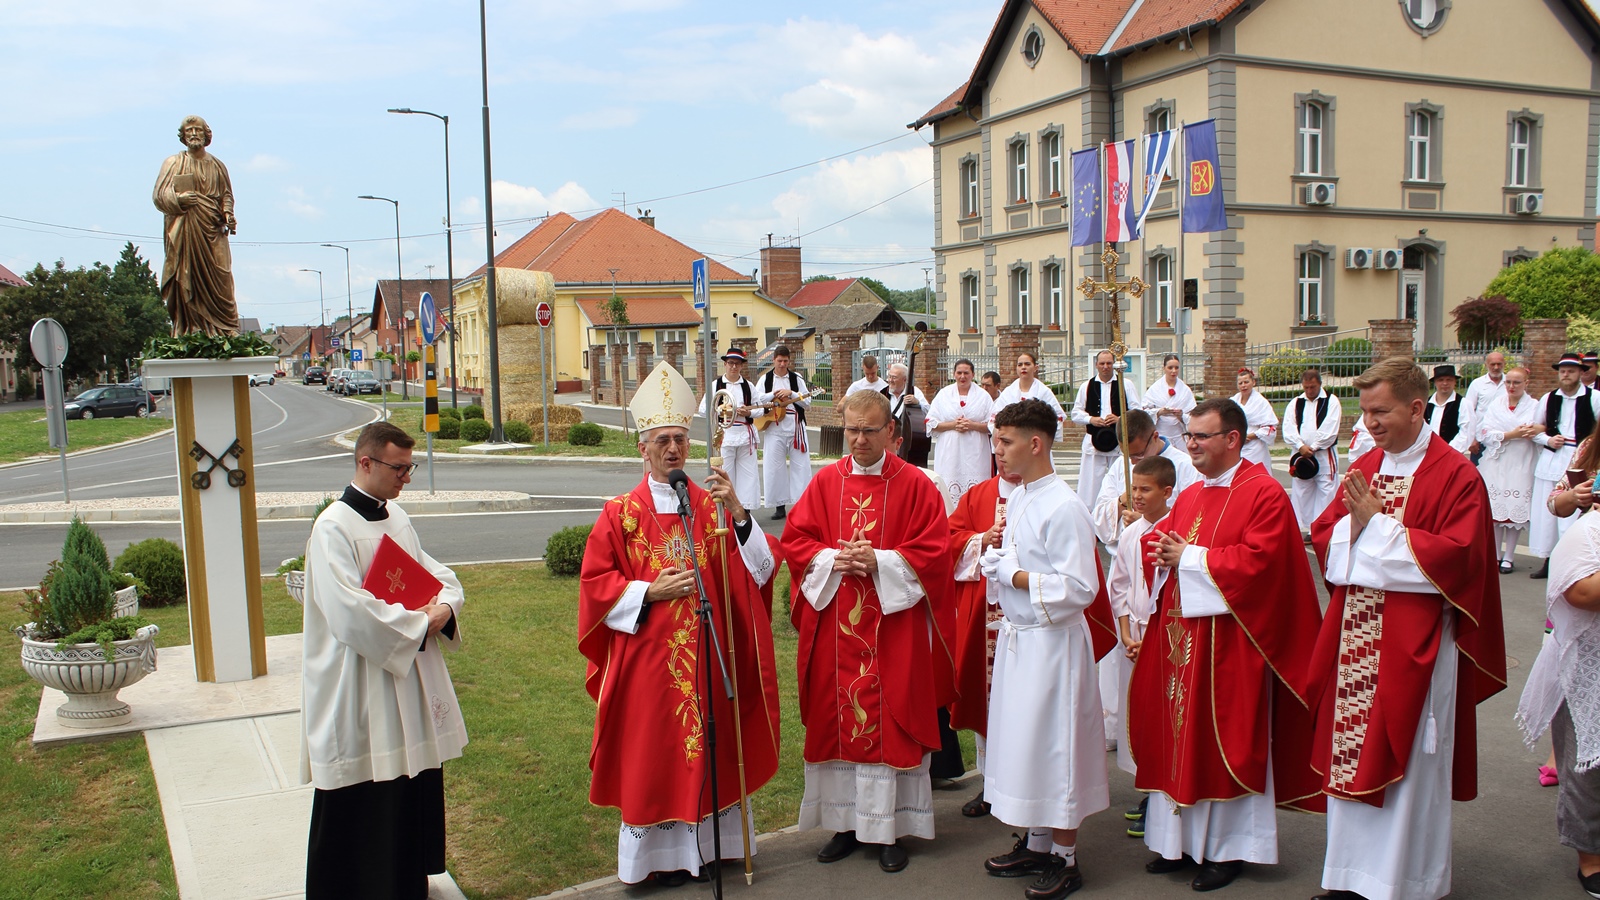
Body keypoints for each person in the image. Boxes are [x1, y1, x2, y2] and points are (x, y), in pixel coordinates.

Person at [1307, 357, 1506, 900]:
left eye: (1381, 411)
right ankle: (1347, 877)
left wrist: (1377, 528)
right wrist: (1364, 535)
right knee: (1351, 752)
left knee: (1411, 761)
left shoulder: (1457, 475)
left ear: (1417, 408)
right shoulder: (1367, 466)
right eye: (1365, 411)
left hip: (1417, 646)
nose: (1369, 423)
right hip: (1357, 640)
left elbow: (1457, 561)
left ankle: (1404, 884)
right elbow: (1325, 540)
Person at [578, 361, 782, 886]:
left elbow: (758, 570)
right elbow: (596, 587)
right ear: (642, 448)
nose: (673, 448)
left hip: (710, 660)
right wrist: (649, 591)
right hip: (650, 661)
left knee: (709, 751)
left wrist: (739, 515)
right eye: (662, 440)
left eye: (680, 439)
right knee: (655, 755)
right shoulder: (619, 513)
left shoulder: (710, 505)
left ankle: (710, 852)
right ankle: (656, 861)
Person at [1130, 398, 1325, 893]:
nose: (1190, 444)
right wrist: (1162, 557)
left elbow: (1263, 565)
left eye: (1201, 436)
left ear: (1232, 440)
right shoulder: (1193, 494)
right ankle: (1177, 844)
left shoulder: (1264, 493)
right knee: (1178, 739)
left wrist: (1189, 557)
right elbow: (1177, 555)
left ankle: (1228, 849)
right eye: (1189, 436)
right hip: (1181, 640)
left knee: (1223, 745)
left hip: (1230, 645)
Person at [782, 389, 956, 873]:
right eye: (851, 429)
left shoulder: (918, 486)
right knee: (837, 726)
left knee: (893, 722)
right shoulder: (824, 483)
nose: (857, 439)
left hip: (893, 631)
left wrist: (877, 560)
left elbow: (934, 553)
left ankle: (892, 830)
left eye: (868, 430)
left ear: (892, 434)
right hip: (838, 625)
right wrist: (831, 559)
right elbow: (796, 541)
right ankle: (844, 824)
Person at [301, 421, 468, 900]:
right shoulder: (333, 527)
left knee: (407, 781)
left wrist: (445, 607)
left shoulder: (396, 519)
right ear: (365, 462)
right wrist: (421, 623)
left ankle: (404, 882)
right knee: (364, 787)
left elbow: (437, 575)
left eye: (410, 467)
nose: (407, 478)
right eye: (399, 468)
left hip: (403, 679)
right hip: (359, 683)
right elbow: (350, 612)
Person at [978, 399, 1118, 900]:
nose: (997, 450)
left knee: (1056, 748)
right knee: (1026, 745)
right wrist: (999, 557)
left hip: (1055, 646)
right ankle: (1037, 843)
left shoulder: (1064, 505)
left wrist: (1012, 575)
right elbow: (1020, 553)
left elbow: (1081, 586)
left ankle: (1066, 859)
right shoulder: (1019, 497)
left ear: (1035, 443)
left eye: (1005, 441)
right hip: (1023, 644)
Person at [1516, 508, 1600, 900]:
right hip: (1587, 668)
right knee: (1586, 768)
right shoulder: (1588, 531)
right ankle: (1591, 857)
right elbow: (1579, 592)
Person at [1105, 454, 1176, 841]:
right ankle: (1147, 789)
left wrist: (1148, 636)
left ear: (1167, 491)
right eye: (1135, 488)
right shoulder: (1131, 532)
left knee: (1161, 714)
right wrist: (1126, 633)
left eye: (1146, 489)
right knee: (1137, 713)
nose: (1138, 496)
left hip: (1161, 636)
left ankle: (1162, 793)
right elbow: (1118, 585)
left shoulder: (1176, 531)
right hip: (1133, 635)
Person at [152, 114, 239, 335]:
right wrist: (179, 200)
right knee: (186, 278)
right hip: (186, 233)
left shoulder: (218, 166)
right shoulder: (173, 163)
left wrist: (228, 213)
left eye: (198, 130)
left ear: (206, 134)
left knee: (222, 279)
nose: (193, 134)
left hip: (213, 230)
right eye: (189, 131)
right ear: (183, 135)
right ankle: (192, 328)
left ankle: (224, 329)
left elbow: (226, 195)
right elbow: (159, 195)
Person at [1529, 352, 1600, 580]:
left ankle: (1574, 559)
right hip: (1552, 456)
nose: (1566, 375)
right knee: (1549, 512)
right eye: (1562, 371)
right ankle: (1549, 560)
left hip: (1581, 458)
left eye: (1571, 370)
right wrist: (1548, 440)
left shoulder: (1594, 397)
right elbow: (1534, 429)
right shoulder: (1548, 398)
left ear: (1581, 373)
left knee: (1575, 510)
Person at [1089, 409, 1200, 549]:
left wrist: (1149, 523)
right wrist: (1123, 501)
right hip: (1123, 555)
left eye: (1139, 454)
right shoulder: (1120, 464)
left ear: (1155, 437)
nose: (1133, 462)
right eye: (1127, 455)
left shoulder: (1186, 467)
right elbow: (1098, 517)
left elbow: (1192, 518)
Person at [1477, 367, 1542, 573]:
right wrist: (1511, 434)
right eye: (1508, 383)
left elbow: (1538, 428)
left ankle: (1510, 556)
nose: (1511, 387)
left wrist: (1526, 432)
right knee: (1496, 510)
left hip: (1522, 460)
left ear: (1526, 384)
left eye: (1516, 383)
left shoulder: (1534, 406)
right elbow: (1485, 432)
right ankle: (1496, 554)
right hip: (1497, 461)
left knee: (1514, 512)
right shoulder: (1497, 404)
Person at [754, 344, 813, 520]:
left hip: (795, 427)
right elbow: (757, 399)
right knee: (774, 467)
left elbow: (807, 403)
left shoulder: (797, 379)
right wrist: (773, 395)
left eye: (785, 361)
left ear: (789, 361)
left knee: (801, 466)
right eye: (779, 361)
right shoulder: (765, 380)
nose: (782, 364)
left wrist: (792, 393)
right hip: (774, 427)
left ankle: (802, 504)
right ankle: (779, 506)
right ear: (774, 360)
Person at [1281, 368, 1343, 533]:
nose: (1309, 391)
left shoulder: (1331, 401)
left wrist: (1314, 446)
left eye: (1312, 387)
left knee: (1326, 491)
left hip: (1323, 455)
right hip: (1301, 456)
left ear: (1320, 384)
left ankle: (1321, 527)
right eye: (1306, 387)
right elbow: (1288, 427)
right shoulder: (1296, 402)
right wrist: (1300, 446)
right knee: (1302, 492)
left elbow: (1331, 428)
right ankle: (1306, 526)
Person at [928, 358, 995, 503]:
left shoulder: (983, 397)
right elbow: (931, 423)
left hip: (976, 452)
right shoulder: (943, 395)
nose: (962, 376)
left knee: (976, 492)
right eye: (959, 373)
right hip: (949, 452)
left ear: (973, 374)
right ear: (954, 374)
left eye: (966, 373)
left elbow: (993, 424)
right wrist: (953, 425)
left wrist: (972, 425)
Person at [1070, 350, 1130, 508]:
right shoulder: (1087, 386)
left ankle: (1118, 509)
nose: (1105, 367)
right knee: (1090, 484)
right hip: (1094, 440)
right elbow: (1075, 413)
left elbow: (1137, 411)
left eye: (1109, 363)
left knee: (1119, 479)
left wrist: (1120, 419)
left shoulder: (1125, 384)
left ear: (1114, 365)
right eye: (1102, 363)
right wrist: (1091, 419)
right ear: (1096, 365)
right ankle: (1089, 513)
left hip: (1117, 441)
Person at [703, 347, 761, 512]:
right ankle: (726, 509)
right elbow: (703, 408)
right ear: (725, 364)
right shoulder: (716, 385)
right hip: (725, 435)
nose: (734, 367)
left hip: (744, 435)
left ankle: (745, 509)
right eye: (730, 363)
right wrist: (721, 410)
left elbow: (760, 409)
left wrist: (748, 412)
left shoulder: (748, 386)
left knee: (748, 474)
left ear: (742, 366)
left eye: (737, 364)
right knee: (725, 473)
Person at [1142, 353, 1195, 443]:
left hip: (1179, 435)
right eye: (1170, 368)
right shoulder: (1155, 388)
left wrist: (1182, 416)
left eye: (1176, 368)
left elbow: (1193, 414)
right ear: (1164, 368)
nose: (1173, 371)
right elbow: (1144, 411)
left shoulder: (1185, 390)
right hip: (1161, 434)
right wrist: (1159, 412)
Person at [1464, 350, 1508, 461]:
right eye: (1493, 364)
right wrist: (1471, 439)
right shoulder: (1477, 384)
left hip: (1505, 438)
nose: (1496, 367)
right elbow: (1468, 412)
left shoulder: (1510, 383)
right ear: (1486, 365)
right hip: (1481, 440)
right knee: (1479, 475)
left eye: (1499, 364)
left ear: (1504, 364)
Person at [1230, 367, 1277, 467]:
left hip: (1255, 447)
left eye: (1246, 382)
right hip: (1237, 445)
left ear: (1253, 382)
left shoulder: (1261, 402)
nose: (1243, 386)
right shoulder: (1233, 401)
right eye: (1240, 383)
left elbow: (1269, 427)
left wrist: (1249, 436)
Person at [1423, 364, 1472, 455]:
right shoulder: (1426, 404)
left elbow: (1466, 432)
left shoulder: (1463, 403)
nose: (1445, 383)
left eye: (1449, 380)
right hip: (1426, 453)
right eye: (1441, 380)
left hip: (1451, 454)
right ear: (1435, 382)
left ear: (1454, 382)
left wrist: (1448, 451)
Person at [886, 362, 929, 432]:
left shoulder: (914, 391)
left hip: (908, 434)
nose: (890, 380)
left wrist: (918, 403)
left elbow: (928, 411)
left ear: (904, 380)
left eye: (894, 377)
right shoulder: (883, 392)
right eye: (889, 376)